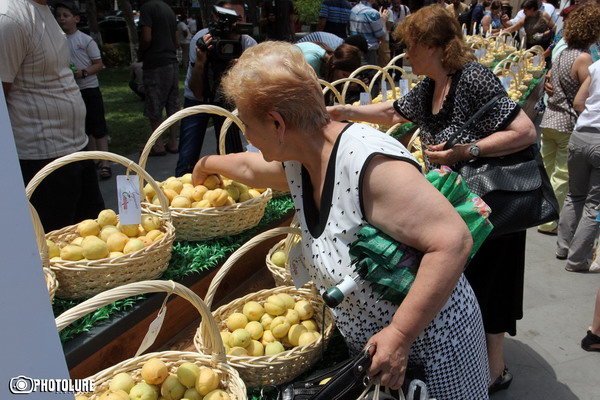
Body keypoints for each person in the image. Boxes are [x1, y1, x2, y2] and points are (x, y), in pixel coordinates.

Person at [192, 40, 490, 399]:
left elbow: (452, 240)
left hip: (432, 353)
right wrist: (204, 165)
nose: (247, 136)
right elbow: (248, 167)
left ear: (277, 123)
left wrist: (399, 334)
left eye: (246, 124)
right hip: (378, 358)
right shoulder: (300, 155)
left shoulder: (368, 164)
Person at [327, 5, 537, 394]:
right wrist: (345, 110)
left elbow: (524, 131)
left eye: (411, 46)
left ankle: (494, 370)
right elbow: (393, 110)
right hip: (455, 209)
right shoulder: (429, 87)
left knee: (490, 287)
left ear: (436, 46)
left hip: (489, 205)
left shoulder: (472, 77)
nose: (406, 54)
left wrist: (466, 151)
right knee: (466, 284)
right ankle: (474, 365)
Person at [0, 0, 105, 232]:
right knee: (59, 240)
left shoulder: (45, 10)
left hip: (76, 147)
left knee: (93, 233)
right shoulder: (10, 18)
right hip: (43, 156)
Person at [175, 0, 257, 177]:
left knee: (231, 154)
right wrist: (201, 62)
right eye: (228, 18)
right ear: (216, 17)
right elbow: (197, 92)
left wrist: (240, 70)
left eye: (238, 18)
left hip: (229, 99)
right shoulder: (202, 40)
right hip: (197, 98)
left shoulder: (248, 43)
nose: (234, 24)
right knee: (187, 155)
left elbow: (250, 89)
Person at [538, 2, 599, 235]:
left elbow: (552, 77)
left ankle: (542, 213)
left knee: (546, 169)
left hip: (550, 119)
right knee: (562, 176)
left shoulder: (562, 52)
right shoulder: (584, 59)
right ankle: (550, 220)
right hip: (567, 123)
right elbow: (588, 94)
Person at [55, 1, 111, 180]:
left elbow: (99, 64)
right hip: (70, 91)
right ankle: (92, 160)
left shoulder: (85, 40)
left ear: (76, 19)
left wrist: (83, 73)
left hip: (89, 89)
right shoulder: (57, 40)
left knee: (98, 127)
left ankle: (105, 162)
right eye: (59, 16)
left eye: (66, 15)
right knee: (82, 128)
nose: (62, 19)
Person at [557, 53, 600, 271]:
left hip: (581, 134)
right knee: (594, 204)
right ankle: (577, 259)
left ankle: (563, 247)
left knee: (575, 194)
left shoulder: (596, 67)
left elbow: (579, 102)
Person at [138, 0, 180, 156]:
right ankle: (173, 142)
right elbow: (176, 42)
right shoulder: (168, 9)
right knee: (172, 105)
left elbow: (146, 37)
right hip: (172, 62)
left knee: (155, 106)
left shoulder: (147, 7)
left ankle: (159, 145)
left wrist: (140, 51)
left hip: (155, 63)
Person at [294, 42, 362, 81]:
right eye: (344, 75)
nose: (344, 80)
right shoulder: (311, 60)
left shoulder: (326, 64)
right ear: (333, 66)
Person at [349, 0, 386, 65]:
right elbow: (381, 36)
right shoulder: (372, 13)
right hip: (368, 53)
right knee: (371, 73)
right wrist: (383, 21)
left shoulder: (353, 10)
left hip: (353, 50)